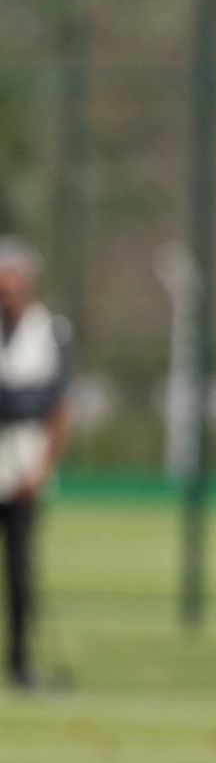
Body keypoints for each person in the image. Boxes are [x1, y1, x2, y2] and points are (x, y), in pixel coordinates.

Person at [0, 238, 71, 687]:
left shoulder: (52, 332)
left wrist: (41, 469)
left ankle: (21, 663)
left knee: (20, 572)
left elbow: (59, 408)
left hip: (24, 465)